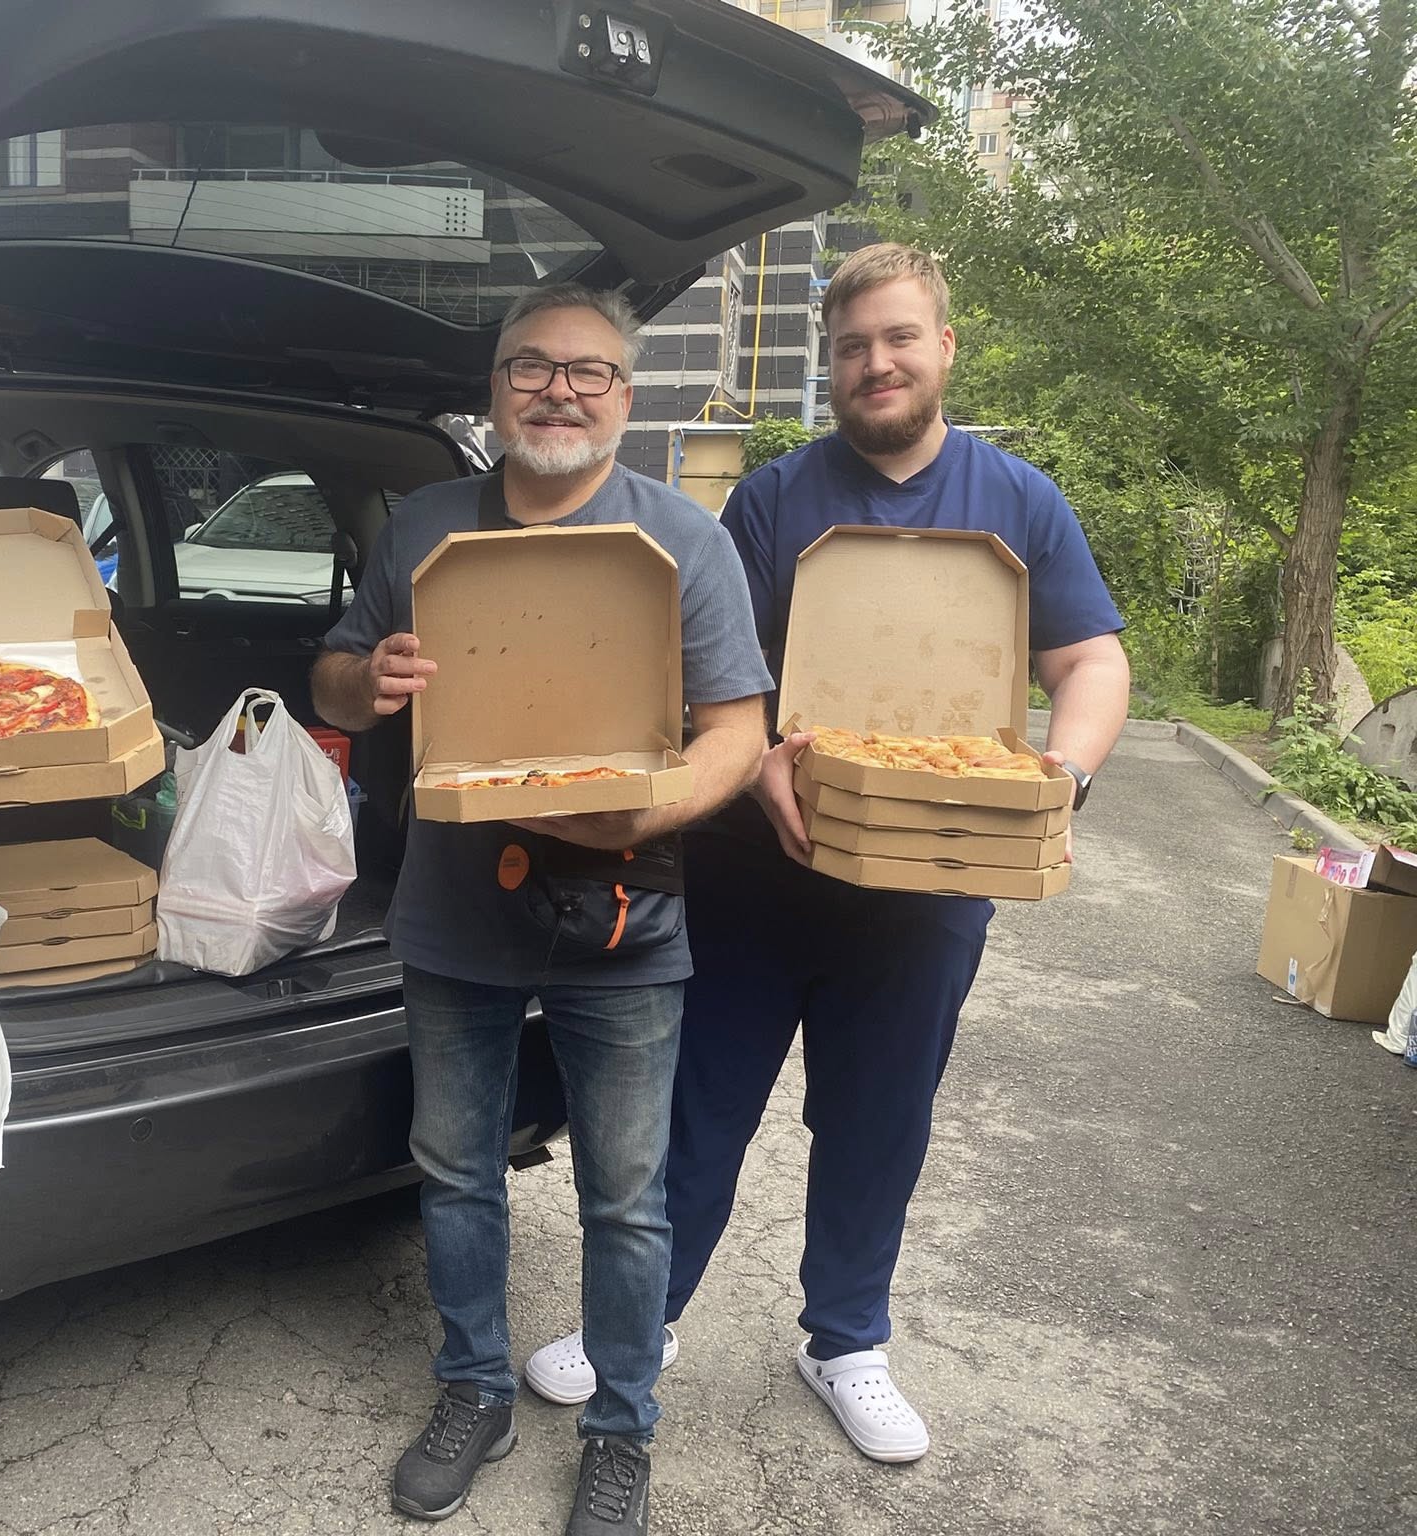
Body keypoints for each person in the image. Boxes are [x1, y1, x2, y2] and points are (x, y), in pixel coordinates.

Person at [524, 243, 1131, 1464]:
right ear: (829, 363)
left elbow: (1089, 661)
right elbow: (719, 679)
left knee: (877, 1121)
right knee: (696, 1113)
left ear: (942, 346)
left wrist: (1055, 779)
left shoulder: (1019, 502)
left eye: (898, 338)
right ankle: (640, 1318)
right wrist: (756, 766)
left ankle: (845, 1341)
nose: (875, 363)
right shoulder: (770, 500)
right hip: (756, 877)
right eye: (851, 346)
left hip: (929, 885)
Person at [313, 284, 772, 1534]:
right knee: (455, 1170)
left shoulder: (683, 538)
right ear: (495, 385)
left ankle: (621, 1430)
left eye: (588, 371)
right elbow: (333, 682)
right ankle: (473, 1388)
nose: (558, 391)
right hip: (453, 913)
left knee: (624, 1195)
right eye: (530, 366)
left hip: (625, 921)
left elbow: (739, 731)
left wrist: (654, 810)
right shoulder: (424, 526)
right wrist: (368, 678)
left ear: (625, 395)